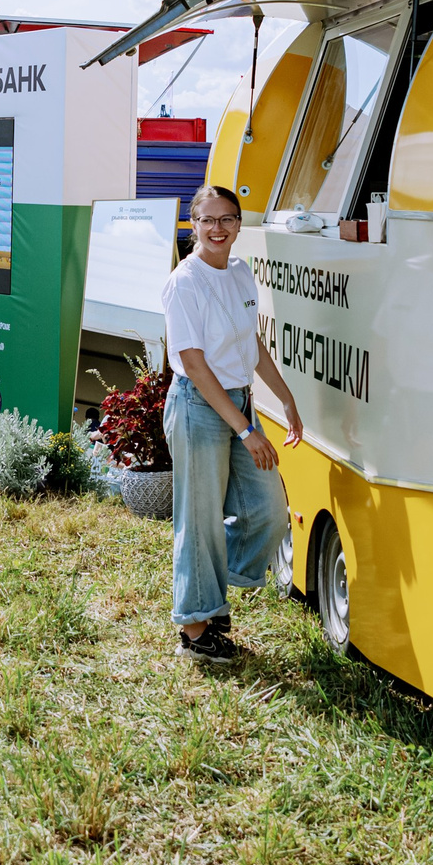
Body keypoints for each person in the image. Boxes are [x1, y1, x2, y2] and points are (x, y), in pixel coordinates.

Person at [159, 183, 306, 661]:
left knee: (268, 509)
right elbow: (195, 364)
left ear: (239, 226)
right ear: (193, 226)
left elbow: (251, 345)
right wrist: (245, 430)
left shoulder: (242, 274)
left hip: (239, 402)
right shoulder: (185, 282)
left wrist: (284, 399)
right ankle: (196, 632)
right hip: (199, 406)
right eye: (207, 220)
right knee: (198, 519)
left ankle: (209, 587)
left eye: (226, 219)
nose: (217, 229)